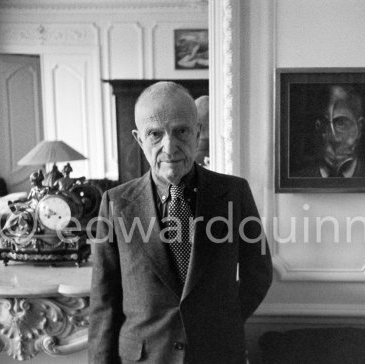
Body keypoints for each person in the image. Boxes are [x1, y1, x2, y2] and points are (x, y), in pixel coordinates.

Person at [89, 81, 272, 364]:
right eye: (155, 134)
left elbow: (258, 273)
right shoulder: (115, 203)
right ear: (139, 139)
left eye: (181, 131)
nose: (169, 146)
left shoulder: (234, 193)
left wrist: (221, 323)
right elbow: (104, 301)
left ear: (197, 133)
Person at [296, 85, 365, 178]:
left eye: (341, 123)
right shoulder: (300, 179)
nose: (334, 138)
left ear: (359, 127)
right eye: (325, 123)